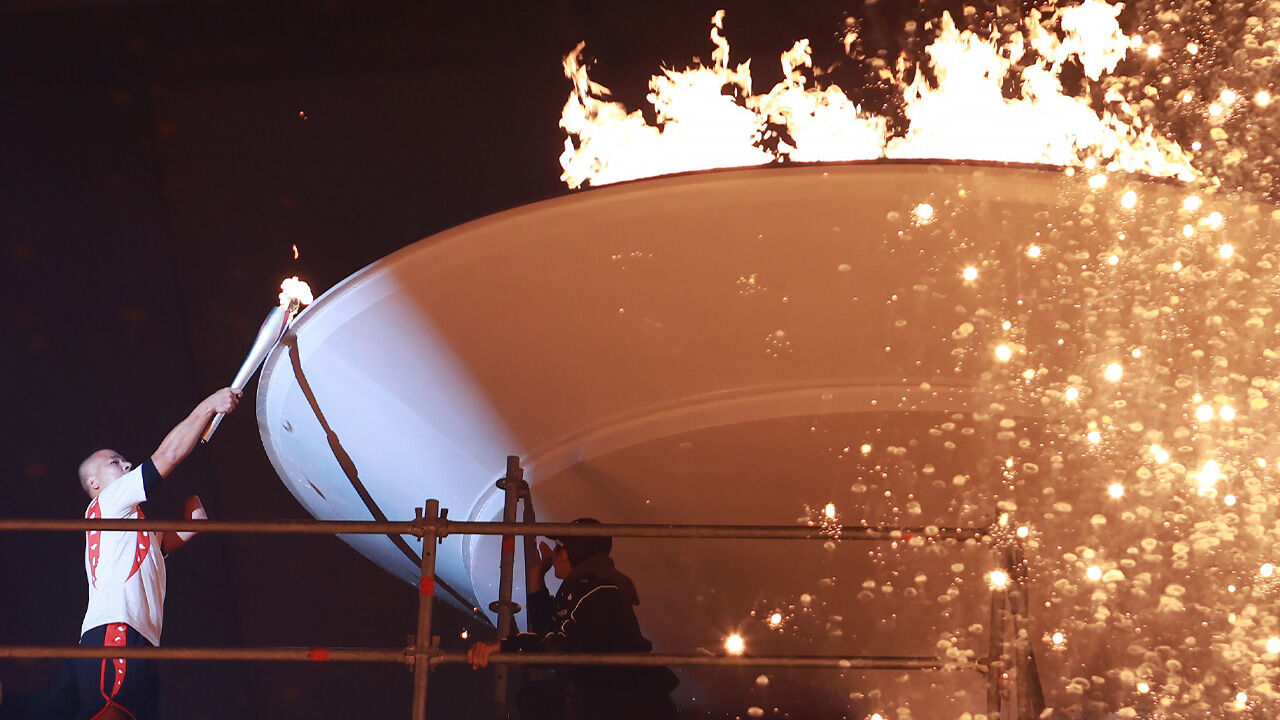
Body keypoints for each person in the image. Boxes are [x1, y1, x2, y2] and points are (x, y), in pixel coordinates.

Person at [1, 387, 241, 720]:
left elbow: (174, 535)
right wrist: (208, 406)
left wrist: (195, 510)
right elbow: (167, 455)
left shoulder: (131, 526)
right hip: (117, 634)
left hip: (126, 640)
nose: (127, 463)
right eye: (115, 462)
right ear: (94, 482)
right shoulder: (110, 502)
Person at [467, 518, 679, 720]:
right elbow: (551, 635)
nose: (553, 554)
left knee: (537, 699)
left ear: (572, 553)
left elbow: (556, 647)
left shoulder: (594, 592)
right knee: (538, 697)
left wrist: (506, 646)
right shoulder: (591, 588)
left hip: (625, 703)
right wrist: (536, 578)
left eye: (559, 547)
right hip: (626, 700)